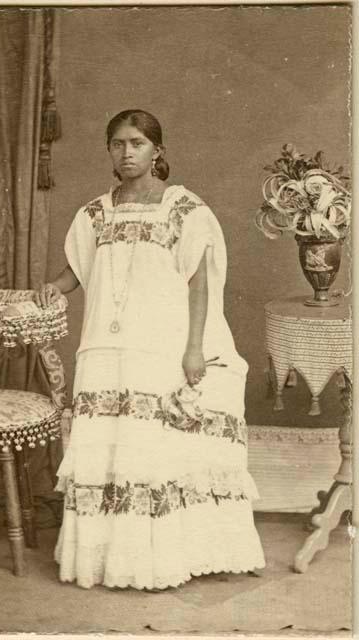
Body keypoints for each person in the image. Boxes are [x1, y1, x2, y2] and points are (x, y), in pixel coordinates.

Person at [36, 109, 265, 590]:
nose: (127, 153)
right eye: (118, 144)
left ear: (157, 150)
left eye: (137, 143)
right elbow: (77, 269)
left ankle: (160, 561)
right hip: (105, 346)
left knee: (154, 451)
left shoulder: (184, 209)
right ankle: (109, 560)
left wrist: (194, 349)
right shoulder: (95, 213)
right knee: (113, 447)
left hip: (160, 344)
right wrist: (54, 289)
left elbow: (199, 286)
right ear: (109, 151)